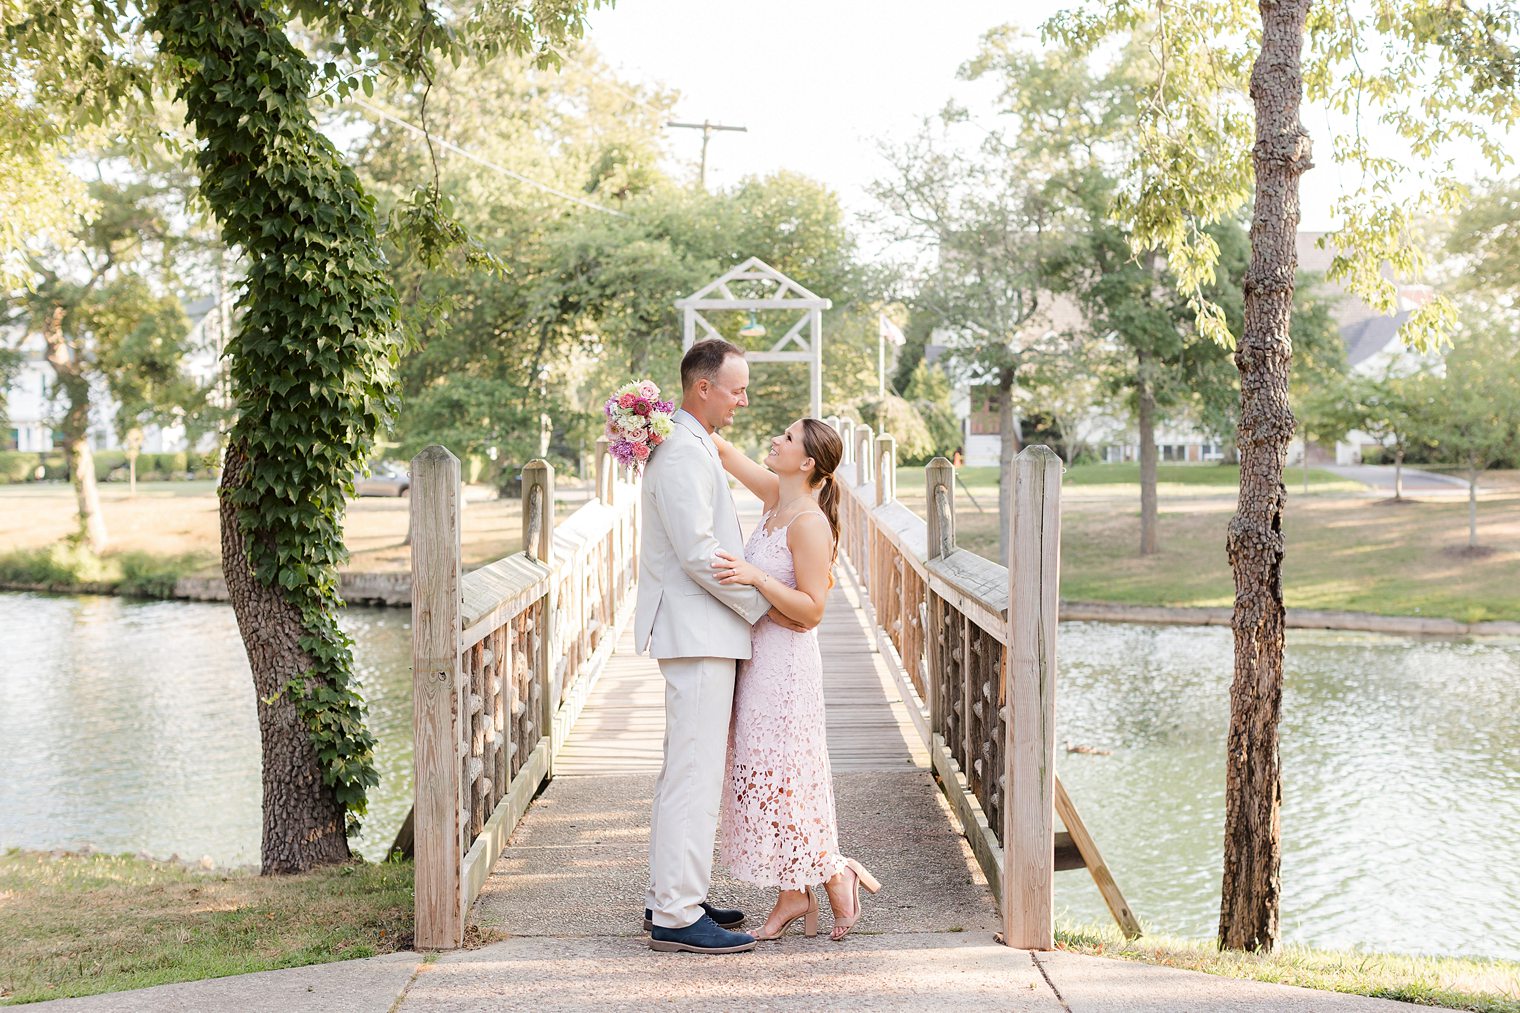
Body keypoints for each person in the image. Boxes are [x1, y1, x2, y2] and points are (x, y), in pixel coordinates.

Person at [634, 338, 811, 955]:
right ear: (702, 387)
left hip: (703, 630)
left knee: (687, 769)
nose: (743, 399)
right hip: (698, 630)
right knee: (692, 772)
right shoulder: (682, 451)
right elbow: (697, 553)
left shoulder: (691, 444)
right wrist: (764, 607)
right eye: (736, 388)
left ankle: (672, 896)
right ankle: (677, 916)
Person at [710, 417, 882, 942]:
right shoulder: (775, 498)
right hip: (757, 657)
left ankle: (831, 874)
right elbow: (723, 452)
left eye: (786, 438)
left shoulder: (807, 521)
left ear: (807, 462)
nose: (775, 440)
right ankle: (797, 889)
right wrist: (653, 414)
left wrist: (757, 578)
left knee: (785, 779)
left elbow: (812, 611)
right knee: (767, 775)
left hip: (785, 668)